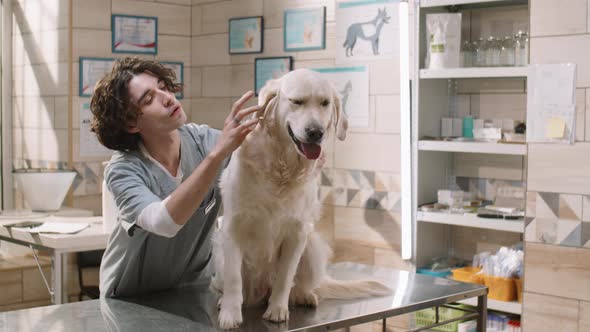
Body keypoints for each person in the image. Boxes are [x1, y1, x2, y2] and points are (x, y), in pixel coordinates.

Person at [90, 57, 260, 298]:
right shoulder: (124, 170)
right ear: (131, 123)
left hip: (193, 290)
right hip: (132, 300)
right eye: (149, 99)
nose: (167, 97)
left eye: (163, 86)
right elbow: (164, 223)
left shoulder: (203, 141)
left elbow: (262, 158)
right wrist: (217, 156)